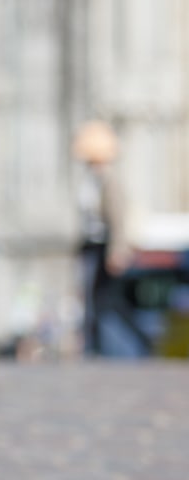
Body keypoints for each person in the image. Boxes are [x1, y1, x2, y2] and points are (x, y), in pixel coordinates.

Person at [72, 119, 138, 356]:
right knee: (96, 299)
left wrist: (117, 251)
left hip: (105, 246)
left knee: (108, 301)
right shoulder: (92, 181)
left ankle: (135, 342)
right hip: (91, 245)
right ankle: (96, 345)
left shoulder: (110, 182)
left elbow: (118, 219)